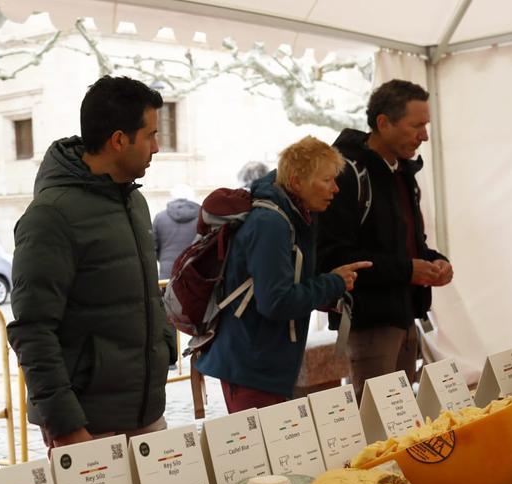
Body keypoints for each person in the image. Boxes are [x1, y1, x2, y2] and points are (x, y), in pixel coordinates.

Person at [9, 76, 175, 448]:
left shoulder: (134, 202)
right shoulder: (50, 216)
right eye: (149, 135)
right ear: (119, 140)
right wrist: (65, 424)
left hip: (146, 414)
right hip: (87, 427)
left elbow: (145, 294)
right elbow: (33, 330)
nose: (157, 147)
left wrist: (164, 345)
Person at [195, 137, 371, 413]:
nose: (336, 189)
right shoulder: (272, 223)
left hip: (265, 361)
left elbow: (285, 285)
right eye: (327, 180)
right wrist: (332, 283)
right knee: (263, 452)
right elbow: (275, 301)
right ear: (297, 181)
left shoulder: (297, 216)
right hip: (251, 364)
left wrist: (329, 291)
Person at [317, 79, 453, 399]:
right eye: (416, 125)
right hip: (368, 323)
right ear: (383, 123)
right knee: (376, 426)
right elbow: (335, 258)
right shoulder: (348, 174)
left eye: (426, 125)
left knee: (401, 420)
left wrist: (436, 262)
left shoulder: (403, 174)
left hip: (406, 317)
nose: (424, 135)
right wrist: (408, 270)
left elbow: (412, 245)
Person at [153, 185, 200, 281]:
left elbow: (153, 247)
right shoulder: (201, 218)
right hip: (194, 268)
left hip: (167, 270)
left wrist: (163, 259)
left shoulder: (160, 217)